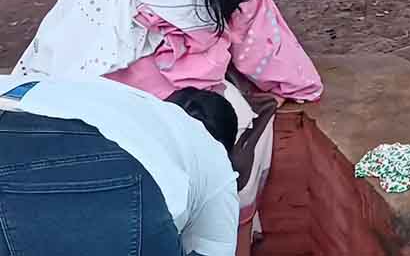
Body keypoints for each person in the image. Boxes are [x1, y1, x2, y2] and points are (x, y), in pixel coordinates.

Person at [13, 0, 324, 252]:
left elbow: (255, 24)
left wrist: (295, 83)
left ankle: (234, 225)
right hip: (117, 87)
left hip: (191, 96)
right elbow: (77, 55)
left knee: (241, 147)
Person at [0, 74, 239, 256]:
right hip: (105, 166)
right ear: (224, 146)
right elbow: (213, 249)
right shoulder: (214, 158)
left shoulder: (126, 101)